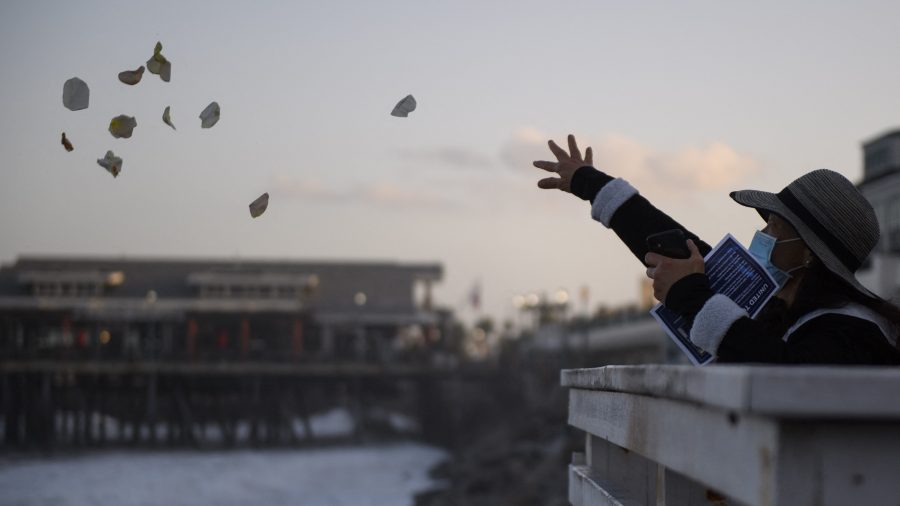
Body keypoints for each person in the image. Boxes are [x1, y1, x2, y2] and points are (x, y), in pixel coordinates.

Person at [533, 134, 900, 364]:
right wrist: (593, 184)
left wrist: (690, 296)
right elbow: (686, 250)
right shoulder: (782, 310)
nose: (763, 232)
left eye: (775, 225)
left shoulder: (851, 333)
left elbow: (778, 371)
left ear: (808, 252)